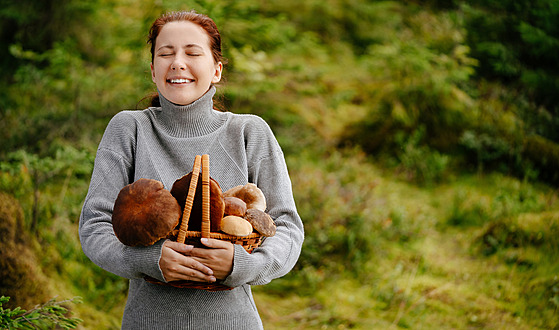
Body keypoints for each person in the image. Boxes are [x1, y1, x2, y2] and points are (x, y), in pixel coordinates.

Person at [79, 10, 304, 329]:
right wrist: (150, 260)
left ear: (216, 69)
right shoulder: (130, 129)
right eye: (165, 53)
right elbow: (94, 223)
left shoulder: (248, 132)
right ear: (154, 71)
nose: (177, 62)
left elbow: (287, 226)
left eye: (192, 52)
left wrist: (240, 265)